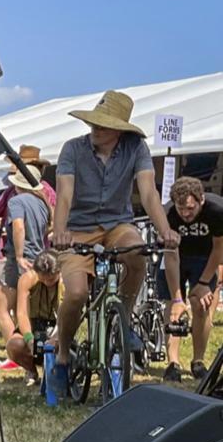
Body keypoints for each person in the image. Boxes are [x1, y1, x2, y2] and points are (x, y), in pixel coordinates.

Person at [50, 91, 179, 397]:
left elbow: (148, 192)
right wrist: (59, 231)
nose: (96, 130)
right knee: (78, 292)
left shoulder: (136, 148)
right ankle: (63, 354)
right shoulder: (73, 149)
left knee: (138, 253)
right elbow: (64, 195)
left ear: (120, 130)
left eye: (103, 126)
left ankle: (124, 317)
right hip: (78, 229)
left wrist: (165, 230)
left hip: (118, 224)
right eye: (94, 124)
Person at [160, 176, 223, 381]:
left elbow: (219, 249)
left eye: (190, 208)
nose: (186, 214)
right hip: (176, 256)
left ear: (201, 200)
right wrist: (178, 299)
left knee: (200, 305)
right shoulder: (167, 214)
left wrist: (204, 283)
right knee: (172, 308)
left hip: (205, 257)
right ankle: (173, 362)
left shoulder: (216, 211)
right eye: (181, 209)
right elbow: (170, 256)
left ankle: (198, 361)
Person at [0, 170, 53, 345]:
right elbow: (49, 228)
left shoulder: (16, 201)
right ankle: (32, 348)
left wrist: (19, 255)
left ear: (17, 185)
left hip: (20, 259)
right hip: (39, 257)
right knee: (29, 309)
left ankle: (17, 349)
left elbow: (18, 226)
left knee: (2, 308)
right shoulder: (43, 203)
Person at [4, 250, 61, 384]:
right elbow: (22, 313)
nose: (47, 282)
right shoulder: (27, 279)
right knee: (14, 345)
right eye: (43, 278)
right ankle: (31, 370)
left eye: (51, 279)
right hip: (35, 324)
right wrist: (29, 339)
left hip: (57, 326)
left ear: (59, 272)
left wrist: (56, 337)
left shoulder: (64, 281)